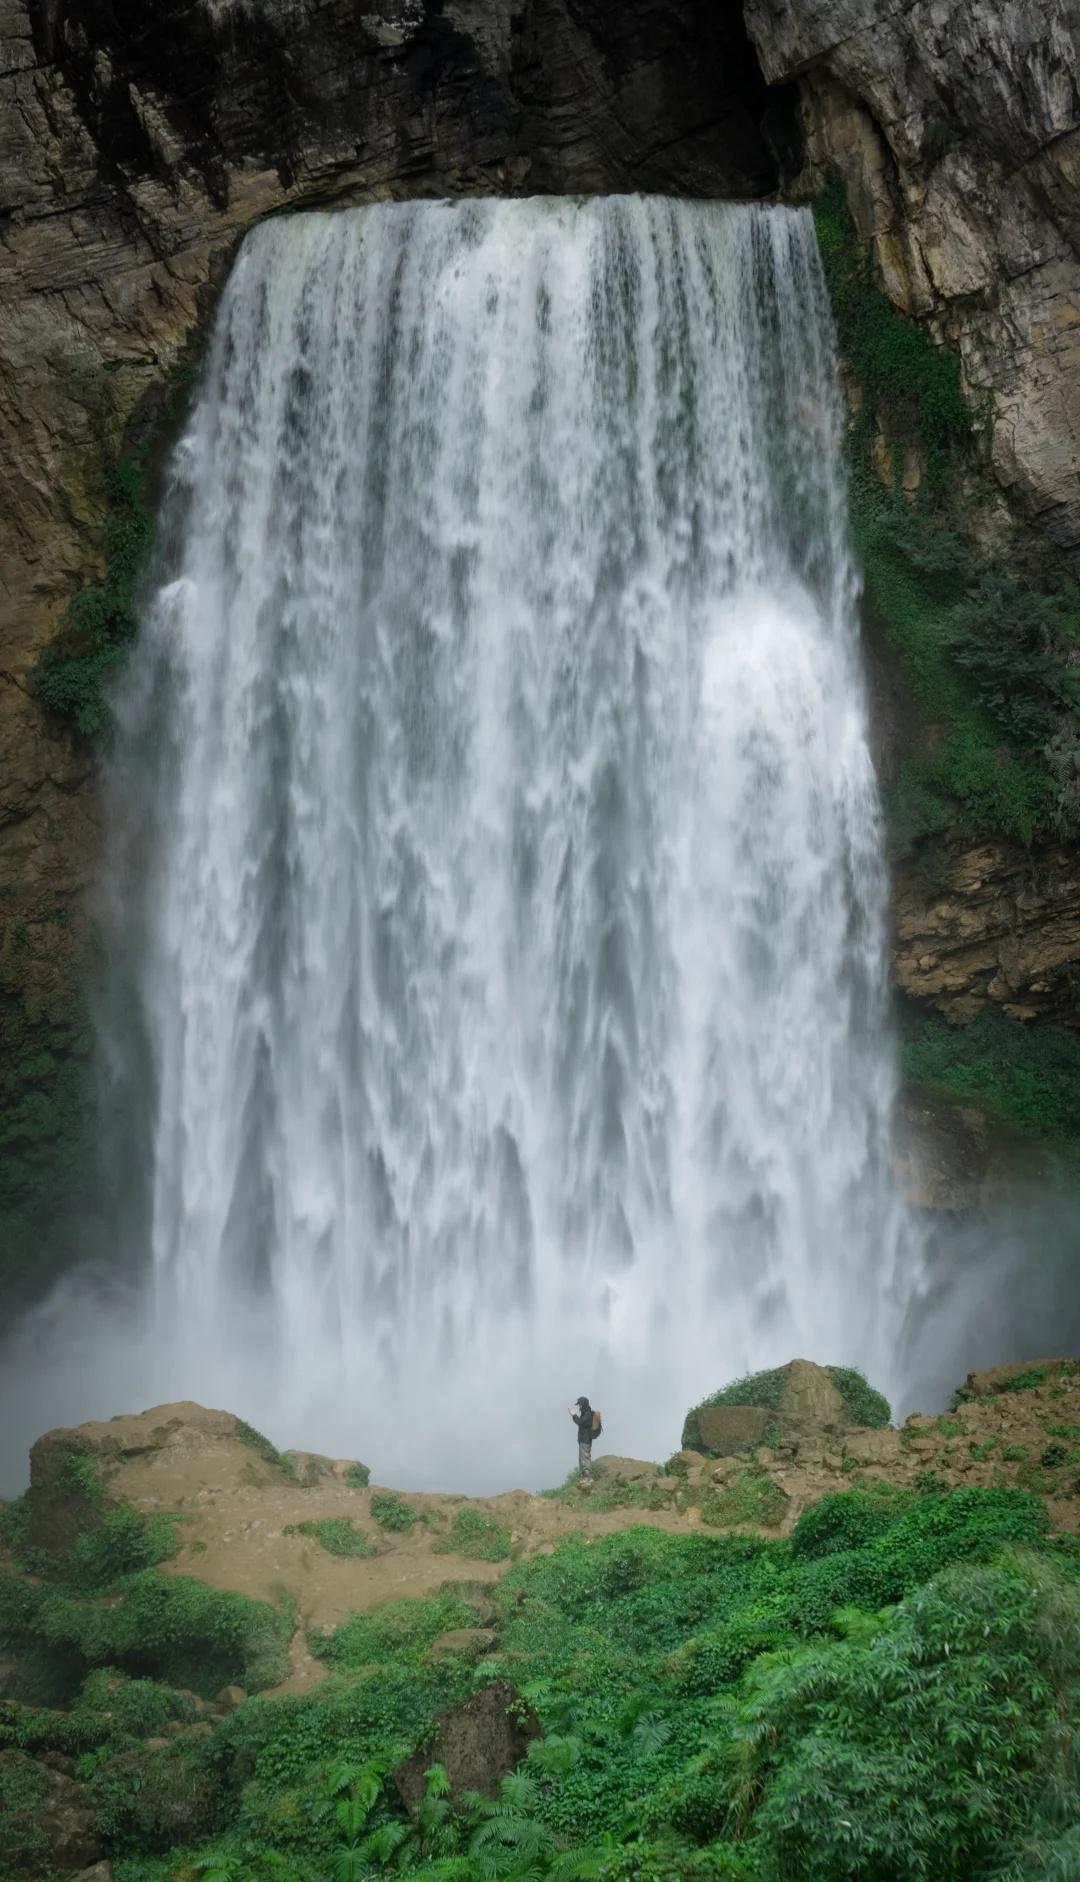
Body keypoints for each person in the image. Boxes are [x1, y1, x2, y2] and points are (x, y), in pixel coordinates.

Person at [568, 1395, 599, 1481]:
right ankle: (584, 1477)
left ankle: (588, 1478)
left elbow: (580, 1422)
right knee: (582, 1458)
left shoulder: (587, 1413)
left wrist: (573, 1415)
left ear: (584, 1404)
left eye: (580, 1405)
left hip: (586, 1439)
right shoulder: (585, 1412)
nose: (579, 1407)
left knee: (585, 1458)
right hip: (583, 1439)